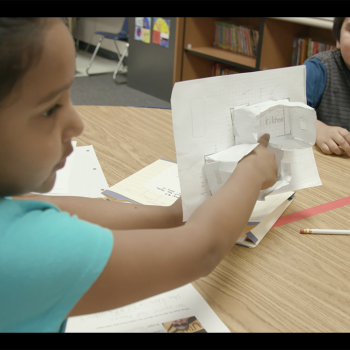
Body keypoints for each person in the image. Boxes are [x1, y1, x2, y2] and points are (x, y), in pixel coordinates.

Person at [0, 17, 277, 332]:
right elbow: (201, 250)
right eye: (50, 108)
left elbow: (44, 207)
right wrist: (252, 170)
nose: (77, 124)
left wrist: (171, 215)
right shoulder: (18, 250)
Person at [303, 17, 350, 156]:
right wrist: (317, 129)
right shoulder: (318, 69)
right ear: (338, 40)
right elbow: (287, 113)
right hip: (323, 164)